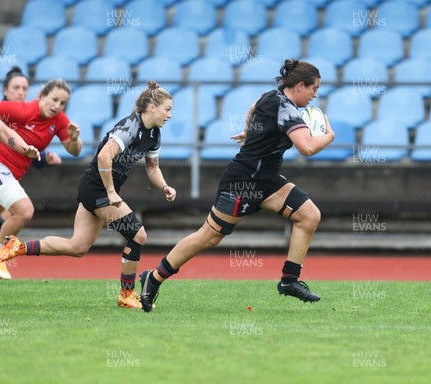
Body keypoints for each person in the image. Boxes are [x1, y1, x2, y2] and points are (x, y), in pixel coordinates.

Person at [138, 59, 335, 312]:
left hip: (267, 181)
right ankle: (152, 278)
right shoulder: (285, 108)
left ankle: (289, 281)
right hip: (242, 182)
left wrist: (247, 130)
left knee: (309, 216)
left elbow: (254, 106)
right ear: (299, 86)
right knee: (208, 237)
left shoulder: (271, 97)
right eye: (314, 88)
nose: (315, 95)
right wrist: (328, 137)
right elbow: (307, 148)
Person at [0, 80, 177, 309]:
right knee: (138, 235)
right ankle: (127, 295)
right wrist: (110, 191)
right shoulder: (130, 127)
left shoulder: (154, 134)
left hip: (97, 187)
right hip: (97, 187)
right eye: (167, 109)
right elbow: (103, 157)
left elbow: (152, 168)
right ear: (151, 107)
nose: (170, 115)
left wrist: (164, 186)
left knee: (77, 247)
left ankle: (17, 247)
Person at [0, 79, 81, 278]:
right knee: (25, 210)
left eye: (62, 103)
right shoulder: (24, 110)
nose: (57, 106)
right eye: (54, 99)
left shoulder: (60, 120)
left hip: (5, 174)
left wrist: (73, 138)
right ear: (42, 96)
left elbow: (75, 150)